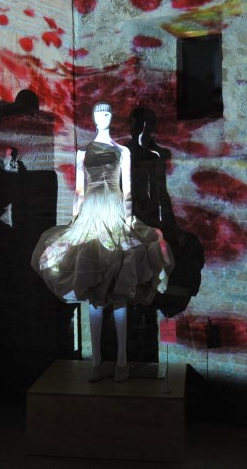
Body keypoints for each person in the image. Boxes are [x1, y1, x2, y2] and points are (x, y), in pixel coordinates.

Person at [31, 102, 172, 382]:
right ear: (93, 118)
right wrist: (74, 221)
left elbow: (128, 191)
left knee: (120, 286)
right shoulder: (83, 152)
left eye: (107, 113)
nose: (103, 117)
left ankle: (122, 361)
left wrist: (128, 222)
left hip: (115, 213)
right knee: (94, 286)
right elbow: (79, 190)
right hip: (91, 215)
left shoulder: (123, 151)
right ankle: (96, 360)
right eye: (98, 113)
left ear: (112, 117)